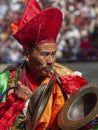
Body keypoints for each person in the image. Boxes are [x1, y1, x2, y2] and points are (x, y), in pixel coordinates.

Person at [0, 0, 89, 130]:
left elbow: (88, 119)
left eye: (53, 54)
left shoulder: (68, 80)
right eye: (45, 54)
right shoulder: (6, 82)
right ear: (26, 54)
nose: (50, 61)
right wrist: (17, 105)